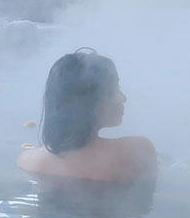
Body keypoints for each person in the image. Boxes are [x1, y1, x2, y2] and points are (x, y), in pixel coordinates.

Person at [17, 49, 157, 181]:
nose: (124, 98)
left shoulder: (28, 161)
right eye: (116, 89)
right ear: (93, 101)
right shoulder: (138, 152)